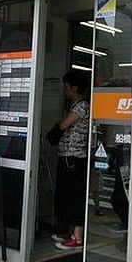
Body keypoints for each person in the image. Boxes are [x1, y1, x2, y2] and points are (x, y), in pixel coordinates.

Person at [50, 69, 90, 250]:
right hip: (68, 156)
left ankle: (77, 237)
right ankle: (70, 232)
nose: (65, 91)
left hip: (75, 159)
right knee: (66, 196)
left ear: (74, 88)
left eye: (66, 87)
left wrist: (55, 129)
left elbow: (65, 124)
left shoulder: (81, 106)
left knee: (74, 197)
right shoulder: (75, 105)